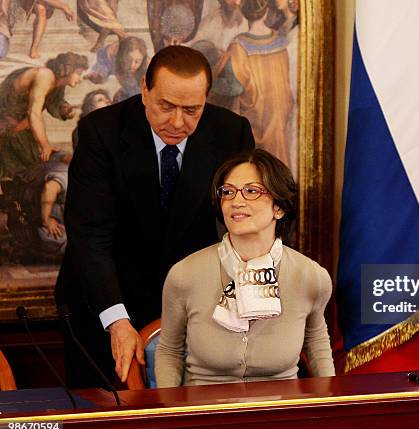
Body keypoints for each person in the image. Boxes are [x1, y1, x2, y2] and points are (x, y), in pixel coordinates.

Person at [55, 45, 255, 388]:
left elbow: (250, 223)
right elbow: (90, 235)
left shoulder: (230, 132)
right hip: (104, 303)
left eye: (192, 109)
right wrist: (117, 320)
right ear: (144, 90)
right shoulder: (101, 132)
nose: (178, 122)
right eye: (166, 106)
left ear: (206, 99)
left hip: (192, 307)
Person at [155, 149, 334, 386]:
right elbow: (169, 350)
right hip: (204, 411)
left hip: (281, 411)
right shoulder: (184, 274)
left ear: (279, 208)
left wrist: (331, 402)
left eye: (252, 191)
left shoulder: (312, 277)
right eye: (227, 192)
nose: (236, 201)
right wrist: (172, 412)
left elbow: (316, 341)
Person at [220, 0, 293, 169]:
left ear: (245, 14)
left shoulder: (239, 45)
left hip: (255, 116)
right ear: (266, 12)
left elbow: (234, 87)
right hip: (278, 114)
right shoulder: (281, 42)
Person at [0, 52, 88, 181]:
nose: (80, 78)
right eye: (78, 73)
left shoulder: (58, 83)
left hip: (21, 125)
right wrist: (45, 144)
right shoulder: (45, 75)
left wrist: (64, 110)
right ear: (67, 69)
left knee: (28, 165)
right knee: (20, 164)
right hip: (6, 121)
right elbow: (34, 112)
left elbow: (54, 102)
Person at [85, 36, 148, 102]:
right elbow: (103, 66)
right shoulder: (114, 62)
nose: (132, 65)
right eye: (128, 60)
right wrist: (98, 75)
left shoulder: (147, 70)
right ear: (122, 57)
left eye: (137, 61)